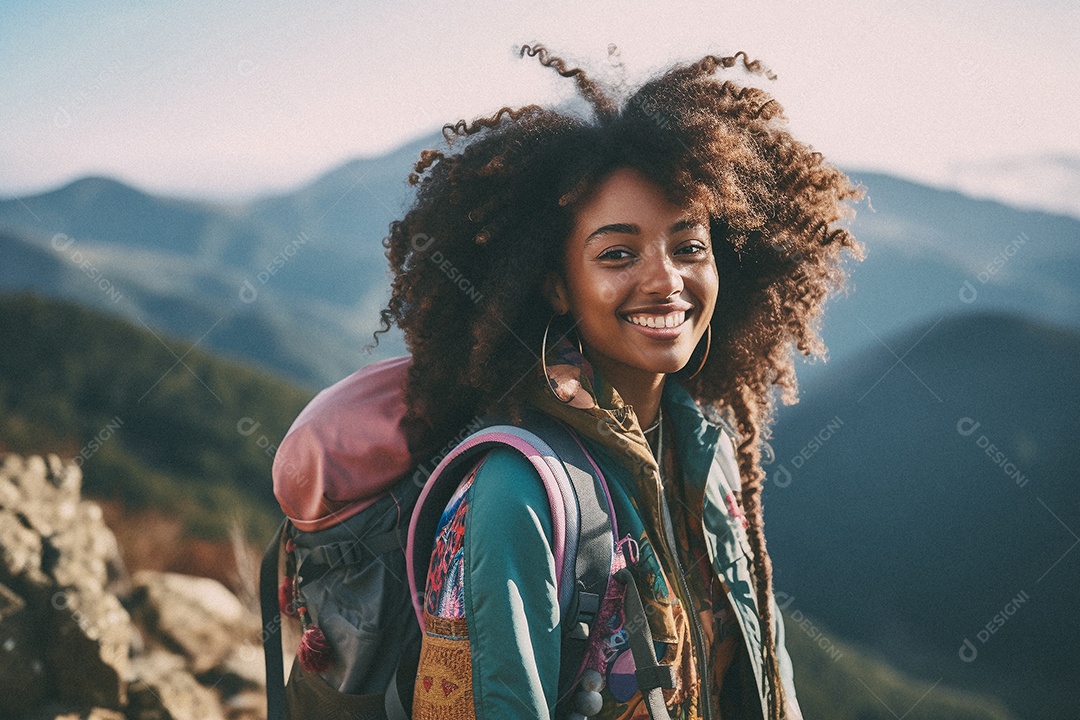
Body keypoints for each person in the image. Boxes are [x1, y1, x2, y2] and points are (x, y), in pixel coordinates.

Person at [376, 44, 863, 720]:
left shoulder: (710, 454)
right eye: (618, 253)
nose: (666, 279)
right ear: (554, 284)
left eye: (689, 246)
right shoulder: (515, 496)